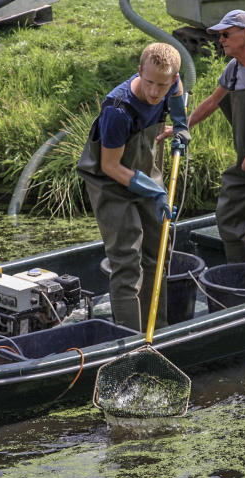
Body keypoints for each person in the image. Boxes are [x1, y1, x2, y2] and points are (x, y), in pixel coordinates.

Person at [160, 9, 245, 265]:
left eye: (226, 34)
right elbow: (213, 102)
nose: (220, 39)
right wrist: (182, 127)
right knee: (229, 223)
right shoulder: (234, 70)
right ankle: (243, 280)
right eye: (218, 35)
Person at [77, 43, 190, 332]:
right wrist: (155, 192)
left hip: (144, 173)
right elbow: (110, 166)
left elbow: (176, 99)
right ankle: (131, 340)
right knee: (127, 262)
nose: (154, 92)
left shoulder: (171, 84)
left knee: (158, 252)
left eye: (162, 85)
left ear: (173, 78)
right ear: (139, 71)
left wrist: (180, 125)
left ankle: (158, 332)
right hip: (111, 185)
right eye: (149, 82)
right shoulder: (118, 110)